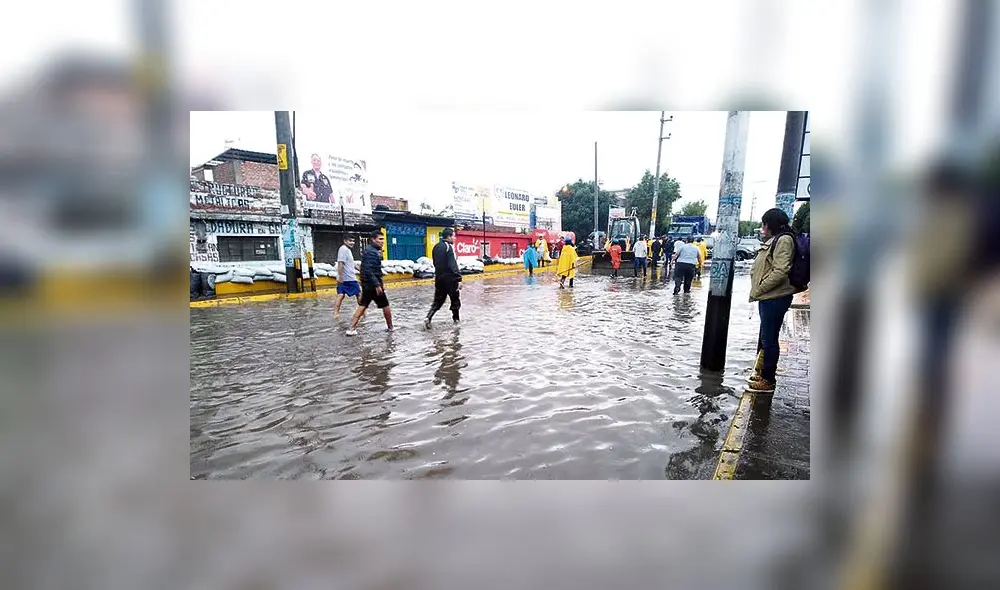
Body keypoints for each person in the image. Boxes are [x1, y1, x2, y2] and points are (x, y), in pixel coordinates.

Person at [748, 208, 801, 393]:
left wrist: (760, 288)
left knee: (769, 339)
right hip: (769, 297)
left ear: (770, 224)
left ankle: (768, 380)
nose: (762, 227)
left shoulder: (784, 240)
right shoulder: (777, 240)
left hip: (774, 297)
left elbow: (780, 271)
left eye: (764, 223)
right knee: (766, 337)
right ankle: (762, 373)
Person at [347, 230, 394, 335]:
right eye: (380, 239)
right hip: (372, 284)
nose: (382, 241)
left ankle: (352, 328)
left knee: (363, 305)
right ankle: (390, 328)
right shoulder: (371, 252)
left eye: (383, 239)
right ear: (373, 239)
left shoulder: (371, 250)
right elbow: (368, 270)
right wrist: (377, 285)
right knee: (385, 305)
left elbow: (368, 269)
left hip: (368, 283)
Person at [425, 227, 463, 328]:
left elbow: (434, 263)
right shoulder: (448, 247)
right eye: (454, 236)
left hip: (439, 278)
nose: (455, 238)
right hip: (450, 279)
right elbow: (452, 265)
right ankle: (456, 321)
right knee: (455, 300)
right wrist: (459, 278)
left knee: (438, 301)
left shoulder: (436, 247)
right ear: (449, 236)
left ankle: (428, 317)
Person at [334, 235, 361, 316]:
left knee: (341, 295)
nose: (352, 242)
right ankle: (362, 312)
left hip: (347, 277)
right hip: (348, 278)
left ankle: (336, 314)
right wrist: (341, 276)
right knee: (358, 293)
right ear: (345, 241)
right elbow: (340, 263)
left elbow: (351, 263)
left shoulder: (347, 250)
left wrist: (360, 269)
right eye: (350, 241)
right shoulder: (343, 249)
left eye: (353, 241)